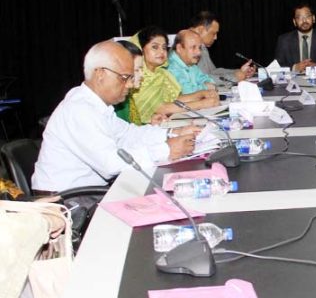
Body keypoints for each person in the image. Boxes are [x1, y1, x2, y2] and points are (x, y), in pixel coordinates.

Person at [31, 41, 200, 193]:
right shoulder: (79, 110)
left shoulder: (97, 105)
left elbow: (129, 135)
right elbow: (111, 164)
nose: (129, 84)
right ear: (100, 74)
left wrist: (173, 133)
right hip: (67, 202)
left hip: (89, 192)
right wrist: (166, 149)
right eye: (124, 77)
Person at [129, 26, 219, 124]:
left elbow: (174, 99)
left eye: (164, 47)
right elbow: (161, 108)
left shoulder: (161, 73)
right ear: (140, 49)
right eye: (155, 47)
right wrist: (202, 104)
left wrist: (201, 94)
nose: (161, 51)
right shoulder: (138, 77)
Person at [189, 11, 255, 82]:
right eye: (213, 33)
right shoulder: (185, 46)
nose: (215, 38)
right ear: (200, 30)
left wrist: (239, 72)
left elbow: (212, 71)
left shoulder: (202, 46)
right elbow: (200, 79)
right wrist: (234, 77)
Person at [274, 4, 316, 73]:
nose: (304, 20)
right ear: (294, 22)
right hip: (294, 81)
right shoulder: (284, 40)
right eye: (299, 17)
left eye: (307, 16)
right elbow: (277, 67)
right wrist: (294, 68)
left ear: (313, 18)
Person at [166, 30, 217, 95]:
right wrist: (206, 87)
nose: (199, 52)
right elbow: (186, 92)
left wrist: (209, 84)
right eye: (193, 47)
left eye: (199, 48)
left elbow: (207, 79)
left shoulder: (191, 64)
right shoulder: (170, 66)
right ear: (179, 48)